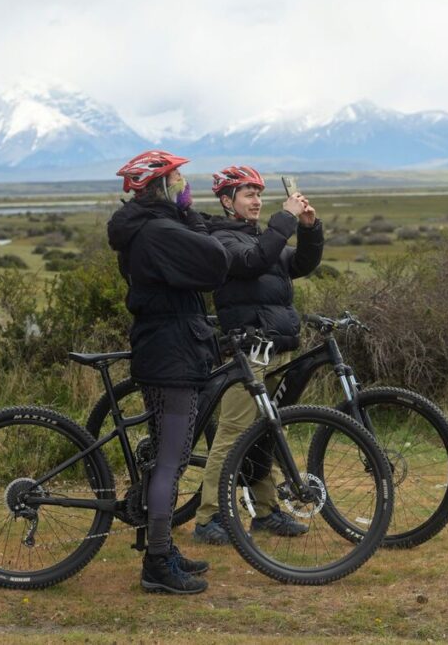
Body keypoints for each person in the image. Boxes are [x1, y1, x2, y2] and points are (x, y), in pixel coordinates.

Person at [107, 149, 231, 594]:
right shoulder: (159, 230)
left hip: (169, 349)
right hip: (172, 355)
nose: (183, 185)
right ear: (160, 185)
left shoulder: (149, 227)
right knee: (171, 460)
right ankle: (157, 563)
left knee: (169, 456)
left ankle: (162, 547)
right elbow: (215, 262)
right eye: (177, 179)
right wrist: (192, 215)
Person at [193, 165, 324, 544]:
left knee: (266, 432)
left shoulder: (257, 237)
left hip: (275, 348)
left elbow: (299, 263)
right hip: (248, 352)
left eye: (259, 194)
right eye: (249, 194)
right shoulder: (222, 240)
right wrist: (284, 218)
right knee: (233, 434)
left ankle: (264, 512)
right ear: (226, 200)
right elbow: (253, 262)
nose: (257, 201)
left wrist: (310, 228)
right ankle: (208, 518)